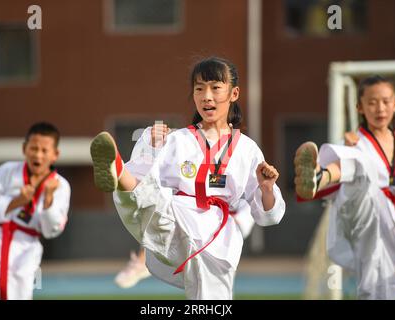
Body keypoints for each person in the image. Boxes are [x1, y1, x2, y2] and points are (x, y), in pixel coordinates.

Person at [90, 56, 285, 299]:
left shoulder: (248, 149)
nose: (207, 96)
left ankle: (120, 174)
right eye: (199, 88)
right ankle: (117, 170)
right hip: (176, 222)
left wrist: (267, 188)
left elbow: (267, 215)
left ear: (234, 93)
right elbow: (145, 172)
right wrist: (149, 145)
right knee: (153, 201)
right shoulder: (176, 139)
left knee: (210, 302)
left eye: (215, 87)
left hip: (217, 239)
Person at [294, 75, 395, 299]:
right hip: (355, 212)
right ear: (360, 107)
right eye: (372, 102)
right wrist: (346, 154)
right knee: (358, 163)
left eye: (386, 101)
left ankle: (321, 175)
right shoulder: (354, 141)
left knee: (381, 281)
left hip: (388, 218)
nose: (380, 108)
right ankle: (318, 175)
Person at [114, 122, 256, 289]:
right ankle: (119, 172)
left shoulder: (243, 156)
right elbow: (159, 173)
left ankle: (142, 259)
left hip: (216, 232)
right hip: (183, 218)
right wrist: (155, 145)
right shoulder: (188, 146)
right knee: (157, 208)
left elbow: (250, 208)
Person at [0, 122, 71, 300]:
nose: (38, 155)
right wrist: (17, 202)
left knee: (18, 292)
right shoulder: (6, 171)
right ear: (24, 148)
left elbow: (52, 230)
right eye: (33, 148)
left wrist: (48, 198)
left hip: (26, 244)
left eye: (44, 150)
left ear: (55, 155)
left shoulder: (60, 186)